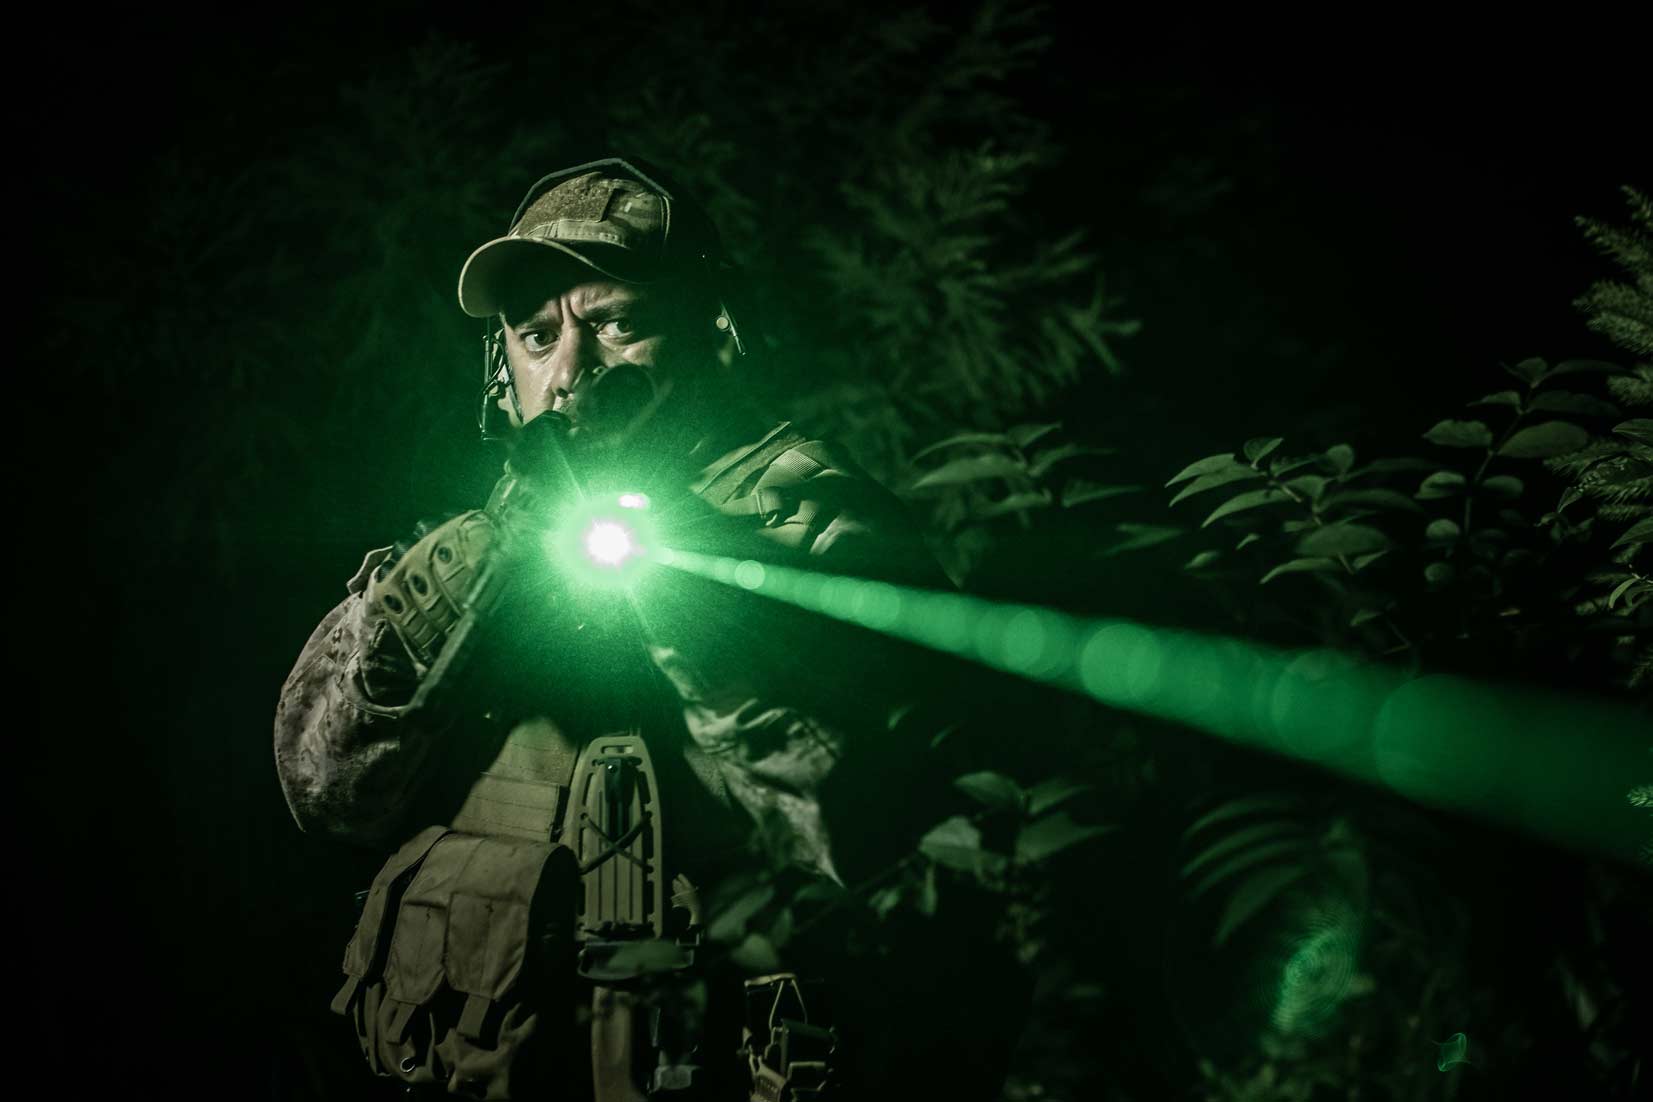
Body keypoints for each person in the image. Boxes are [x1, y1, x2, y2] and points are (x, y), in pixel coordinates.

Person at [273, 157, 1020, 1100]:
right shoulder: (471, 553)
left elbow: (863, 834)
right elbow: (323, 792)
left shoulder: (817, 525)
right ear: (502, 373)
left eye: (619, 322)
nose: (572, 369)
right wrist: (449, 593)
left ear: (716, 334)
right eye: (536, 336)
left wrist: (700, 613)